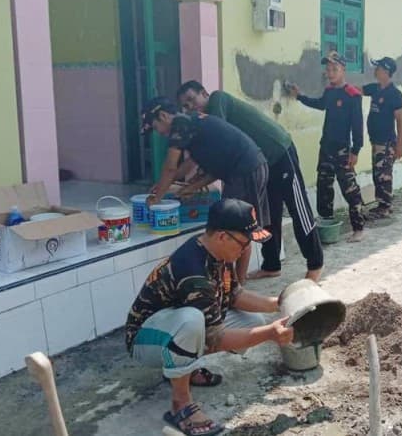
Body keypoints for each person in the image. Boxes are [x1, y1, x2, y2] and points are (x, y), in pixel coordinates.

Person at [125, 199, 294, 436]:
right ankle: (180, 403)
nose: (246, 249)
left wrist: (282, 303)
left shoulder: (218, 255)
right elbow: (217, 338)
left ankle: (185, 368)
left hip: (172, 326)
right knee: (192, 321)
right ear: (223, 237)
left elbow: (235, 295)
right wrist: (270, 334)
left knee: (252, 321)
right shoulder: (193, 271)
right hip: (145, 339)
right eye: (244, 242)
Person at [176, 81, 324, 282]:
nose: (191, 107)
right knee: (268, 213)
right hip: (261, 162)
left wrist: (198, 174)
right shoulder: (206, 122)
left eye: (192, 100)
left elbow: (217, 138)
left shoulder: (218, 99)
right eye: (185, 106)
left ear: (204, 93)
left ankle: (315, 264)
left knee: (298, 207)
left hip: (279, 150)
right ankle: (271, 264)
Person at [140, 97, 269, 284]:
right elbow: (203, 166)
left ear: (163, 115)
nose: (158, 133)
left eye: (155, 127)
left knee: (237, 229)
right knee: (235, 227)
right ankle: (236, 285)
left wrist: (157, 197)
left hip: (245, 171)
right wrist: (188, 187)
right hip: (249, 168)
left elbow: (170, 167)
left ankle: (237, 287)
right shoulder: (191, 123)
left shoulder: (180, 124)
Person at [288, 51, 366, 243]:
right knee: (324, 187)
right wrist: (300, 97)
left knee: (350, 189)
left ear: (343, 70)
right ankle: (326, 226)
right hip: (326, 148)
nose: (330, 73)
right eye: (328, 69)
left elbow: (357, 125)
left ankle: (359, 228)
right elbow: (321, 104)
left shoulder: (352, 95)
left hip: (343, 150)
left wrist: (356, 150)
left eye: (334, 69)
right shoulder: (330, 91)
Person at [362, 57, 402, 219]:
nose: (375, 70)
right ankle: (384, 204)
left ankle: (385, 207)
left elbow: (400, 121)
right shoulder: (375, 89)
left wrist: (399, 144)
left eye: (378, 68)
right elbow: (356, 90)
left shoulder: (395, 94)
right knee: (377, 173)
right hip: (376, 140)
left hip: (387, 142)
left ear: (386, 72)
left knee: (383, 174)